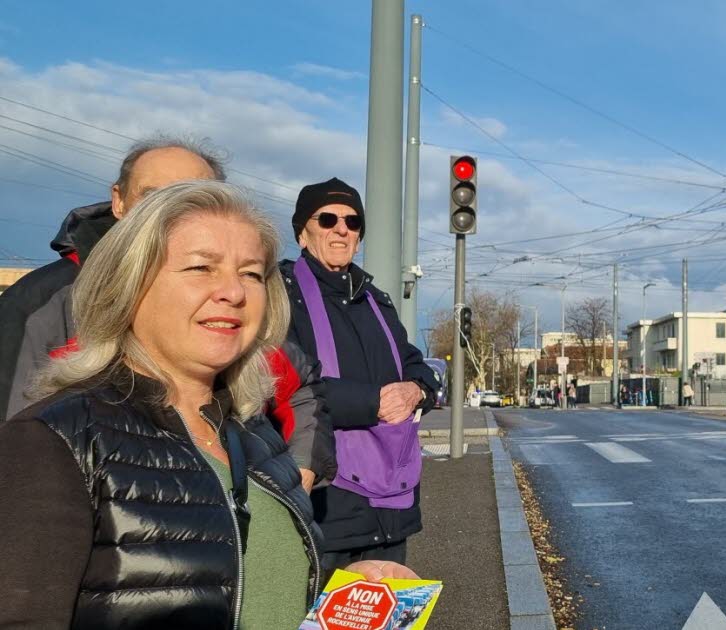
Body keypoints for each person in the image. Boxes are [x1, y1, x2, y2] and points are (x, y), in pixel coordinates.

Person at [0, 181, 416, 629]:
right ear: (130, 282)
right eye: (202, 267)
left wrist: (339, 591)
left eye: (252, 273)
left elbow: (244, 580)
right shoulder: (54, 441)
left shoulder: (255, 434)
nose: (233, 292)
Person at [0, 136, 326, 489]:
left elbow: (301, 387)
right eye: (154, 196)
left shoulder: (239, 312)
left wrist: (298, 475)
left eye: (193, 196)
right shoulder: (40, 302)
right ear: (119, 201)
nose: (173, 211)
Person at [281, 177, 438, 572]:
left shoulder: (377, 302)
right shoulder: (281, 296)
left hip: (389, 507)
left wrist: (417, 390)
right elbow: (285, 385)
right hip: (326, 505)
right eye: (328, 218)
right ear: (303, 232)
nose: (341, 229)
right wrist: (374, 403)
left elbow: (418, 364)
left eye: (352, 222)